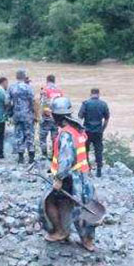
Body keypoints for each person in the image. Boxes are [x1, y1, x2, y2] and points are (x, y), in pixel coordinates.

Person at [39, 97, 97, 252]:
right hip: (82, 174)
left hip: (71, 177)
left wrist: (58, 178)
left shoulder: (65, 134)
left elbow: (66, 159)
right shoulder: (77, 128)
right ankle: (87, 240)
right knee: (77, 205)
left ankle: (60, 232)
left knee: (48, 201)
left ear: (56, 116)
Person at [7, 68, 37, 164]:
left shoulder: (11, 87)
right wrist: (36, 115)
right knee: (29, 135)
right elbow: (33, 101)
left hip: (17, 115)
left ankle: (21, 157)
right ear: (24, 77)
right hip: (28, 115)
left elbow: (7, 102)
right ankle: (31, 157)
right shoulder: (28, 87)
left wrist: (10, 112)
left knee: (19, 135)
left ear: (16, 77)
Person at [78, 88, 110, 177]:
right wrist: (103, 129)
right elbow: (107, 118)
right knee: (98, 151)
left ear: (91, 94)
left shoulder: (86, 103)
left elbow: (80, 117)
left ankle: (88, 169)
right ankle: (99, 170)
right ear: (98, 94)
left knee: (85, 151)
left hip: (87, 131)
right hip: (98, 131)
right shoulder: (103, 104)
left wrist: (80, 130)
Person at [38, 75, 64, 159]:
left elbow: (42, 103)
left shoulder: (44, 90)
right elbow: (62, 104)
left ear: (47, 80)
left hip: (46, 117)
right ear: (54, 80)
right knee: (55, 137)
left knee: (43, 137)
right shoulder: (59, 91)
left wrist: (42, 115)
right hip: (56, 117)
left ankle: (44, 155)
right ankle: (54, 155)